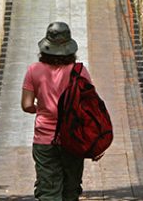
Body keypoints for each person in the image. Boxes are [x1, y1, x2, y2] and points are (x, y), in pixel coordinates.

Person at [22, 22, 92, 201]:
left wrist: (40, 108)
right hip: (73, 138)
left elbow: (26, 104)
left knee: (48, 191)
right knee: (71, 189)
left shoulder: (34, 70)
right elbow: (89, 107)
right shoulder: (79, 71)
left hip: (45, 140)